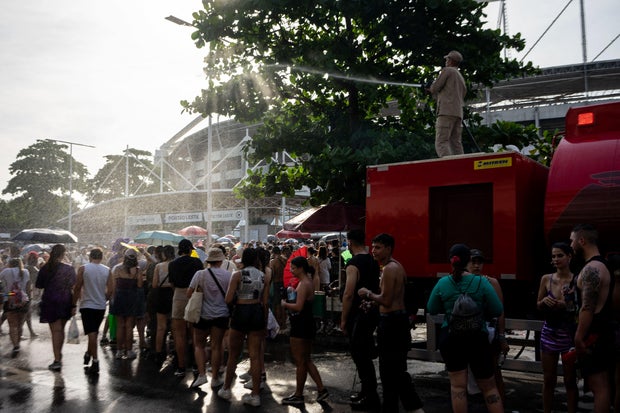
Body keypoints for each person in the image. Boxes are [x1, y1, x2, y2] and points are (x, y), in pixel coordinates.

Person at [427, 243, 503, 413]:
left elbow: (431, 309)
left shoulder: (443, 283)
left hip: (451, 339)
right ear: (468, 260)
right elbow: (497, 310)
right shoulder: (481, 282)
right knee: (489, 388)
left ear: (451, 261)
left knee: (458, 388)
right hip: (478, 339)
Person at [357, 233, 425, 413]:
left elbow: (387, 301)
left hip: (392, 325)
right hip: (397, 323)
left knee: (390, 373)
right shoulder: (396, 266)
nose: (374, 251)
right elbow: (391, 298)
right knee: (396, 372)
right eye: (372, 247)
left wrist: (368, 294)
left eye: (378, 247)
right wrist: (373, 303)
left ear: (388, 248)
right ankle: (411, 408)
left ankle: (409, 407)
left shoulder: (389, 269)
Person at [218, 247, 271, 407]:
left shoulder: (237, 275)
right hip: (257, 312)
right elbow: (265, 301)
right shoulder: (263, 276)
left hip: (241, 312)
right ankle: (255, 396)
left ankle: (226, 389)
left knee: (234, 353)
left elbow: (228, 299)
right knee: (255, 355)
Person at [570, 223, 614, 413]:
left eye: (572, 241)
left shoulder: (591, 269)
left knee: (599, 387)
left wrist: (579, 337)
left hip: (593, 335)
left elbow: (587, 307)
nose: (571, 246)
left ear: (582, 240)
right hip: (600, 333)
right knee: (601, 385)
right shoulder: (601, 265)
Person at [340, 229, 381, 410]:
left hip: (358, 314)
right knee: (364, 354)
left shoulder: (353, 263)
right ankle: (367, 392)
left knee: (359, 354)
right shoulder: (373, 260)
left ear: (349, 242)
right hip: (371, 311)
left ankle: (370, 395)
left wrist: (343, 319)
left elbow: (348, 294)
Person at [536, 242, 578, 413]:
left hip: (568, 334)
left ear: (569, 256)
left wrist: (565, 305)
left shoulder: (577, 279)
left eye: (560, 255)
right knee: (548, 379)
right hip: (549, 332)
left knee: (569, 380)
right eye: (553, 256)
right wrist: (544, 302)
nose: (556, 259)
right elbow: (537, 305)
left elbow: (581, 308)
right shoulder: (546, 278)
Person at [280, 256, 329, 405]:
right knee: (306, 360)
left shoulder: (304, 284)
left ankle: (298, 394)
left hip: (300, 326)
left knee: (301, 361)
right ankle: (321, 389)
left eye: (293, 268)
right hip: (306, 324)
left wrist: (285, 304)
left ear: (301, 268)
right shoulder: (306, 282)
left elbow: (298, 306)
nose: (291, 270)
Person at [467, 249, 509, 403]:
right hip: (468, 332)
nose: (476, 265)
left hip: (490, 332)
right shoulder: (463, 282)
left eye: (479, 262)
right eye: (473, 262)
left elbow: (500, 311)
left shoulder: (491, 282)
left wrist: (502, 336)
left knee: (494, 372)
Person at [187, 247, 232, 389]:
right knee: (216, 346)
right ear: (220, 260)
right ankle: (215, 378)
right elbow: (231, 296)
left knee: (199, 345)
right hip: (221, 315)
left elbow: (189, 293)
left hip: (202, 315)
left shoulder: (200, 274)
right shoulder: (228, 275)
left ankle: (201, 375)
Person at [36, 244, 77, 372]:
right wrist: (74, 304)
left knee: (56, 332)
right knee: (61, 330)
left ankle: (57, 359)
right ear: (63, 254)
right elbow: (74, 287)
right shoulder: (68, 269)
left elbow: (39, 285)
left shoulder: (45, 268)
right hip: (65, 300)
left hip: (50, 300)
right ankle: (59, 355)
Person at [72, 248, 112, 374]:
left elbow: (77, 287)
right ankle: (88, 354)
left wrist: (73, 303)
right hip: (100, 306)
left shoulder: (83, 268)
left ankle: (95, 361)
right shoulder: (107, 270)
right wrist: (104, 298)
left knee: (92, 334)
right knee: (93, 333)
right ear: (102, 257)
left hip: (87, 305)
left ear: (90, 257)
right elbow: (111, 289)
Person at [168, 239, 204, 377]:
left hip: (178, 295)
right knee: (194, 333)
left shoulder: (173, 264)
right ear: (190, 249)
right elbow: (201, 281)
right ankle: (196, 365)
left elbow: (172, 283)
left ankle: (181, 367)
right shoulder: (196, 262)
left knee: (179, 334)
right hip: (194, 295)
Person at [428, 50, 467, 157]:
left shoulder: (448, 71)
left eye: (447, 59)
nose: (446, 61)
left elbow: (435, 87)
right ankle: (461, 165)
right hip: (458, 113)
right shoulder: (460, 77)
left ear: (450, 61)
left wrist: (430, 87)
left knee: (441, 142)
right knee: (456, 143)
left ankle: (449, 165)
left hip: (446, 112)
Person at [109, 248, 143, 360]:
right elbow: (139, 286)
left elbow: (113, 286)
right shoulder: (138, 271)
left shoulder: (117, 268)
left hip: (119, 297)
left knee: (120, 325)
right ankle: (129, 351)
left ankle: (119, 351)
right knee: (129, 326)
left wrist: (112, 298)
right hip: (132, 298)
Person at [0, 258, 30, 356]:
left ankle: (15, 346)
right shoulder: (26, 272)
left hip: (9, 300)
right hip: (23, 301)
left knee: (12, 325)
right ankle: (18, 342)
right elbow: (28, 288)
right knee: (20, 325)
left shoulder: (6, 271)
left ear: (10, 264)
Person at [152, 245, 175, 366]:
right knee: (175, 326)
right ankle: (176, 352)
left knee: (161, 327)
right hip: (173, 295)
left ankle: (158, 352)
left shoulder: (159, 266)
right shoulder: (176, 265)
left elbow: (155, 284)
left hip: (161, 295)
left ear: (164, 254)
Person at [269, 246, 288, 330]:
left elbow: (271, 275)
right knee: (283, 304)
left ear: (273, 253)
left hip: (276, 284)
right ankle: (283, 324)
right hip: (284, 284)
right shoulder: (286, 261)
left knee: (276, 304)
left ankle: (278, 324)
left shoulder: (273, 262)